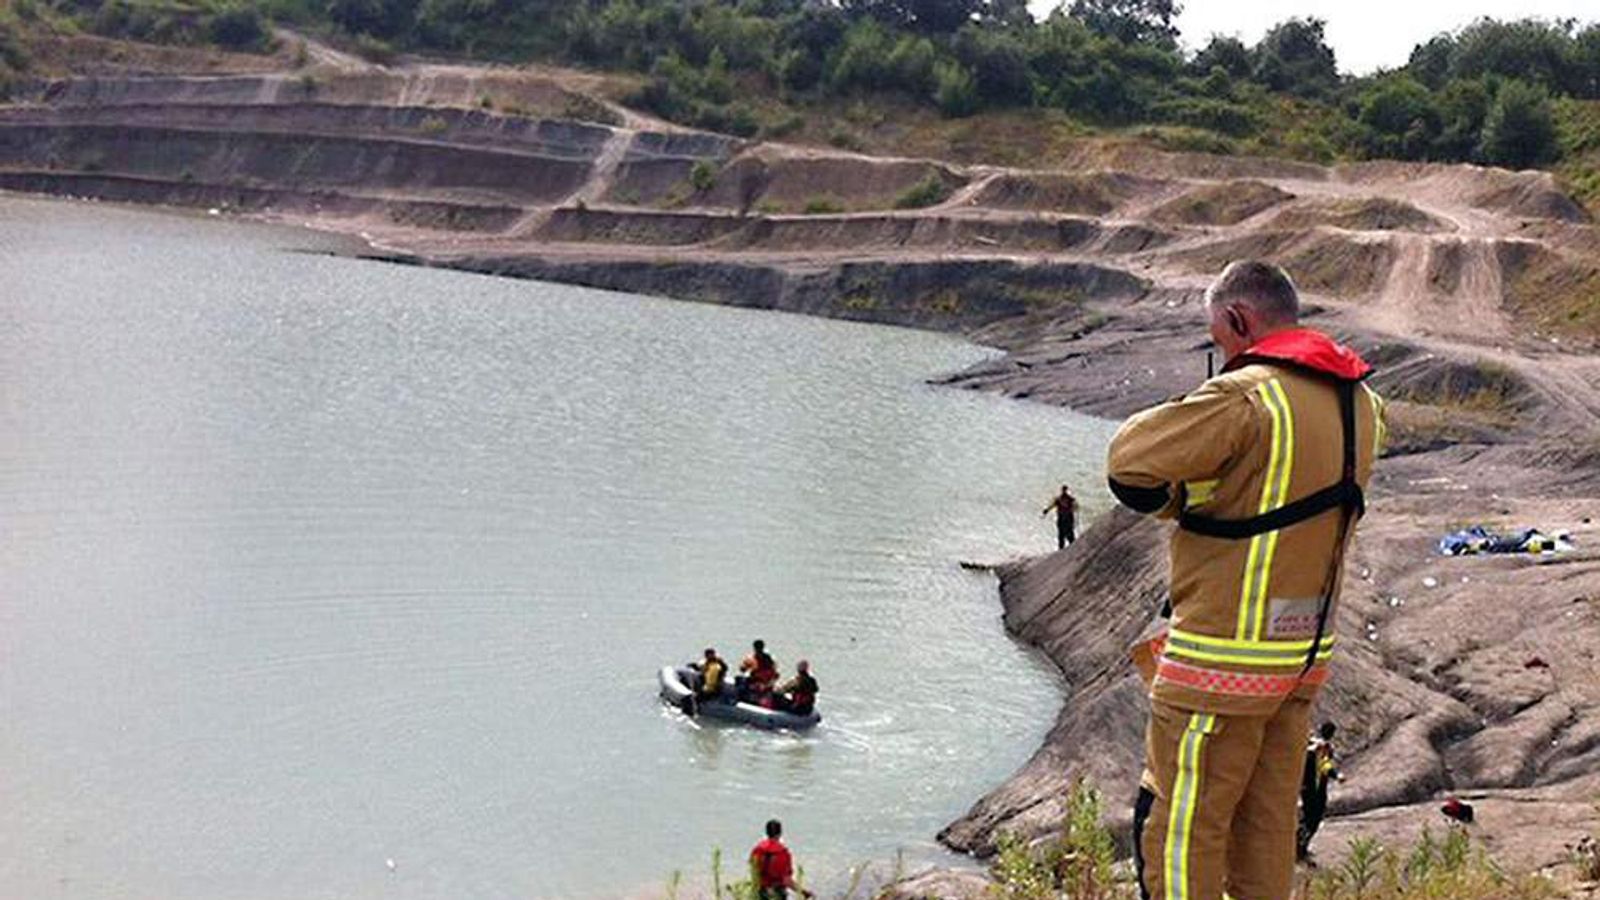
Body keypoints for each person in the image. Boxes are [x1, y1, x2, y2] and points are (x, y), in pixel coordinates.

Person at [1110, 261, 1385, 900]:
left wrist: (1185, 499)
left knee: (1180, 826)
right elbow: (1275, 491)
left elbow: (1128, 462)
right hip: (1300, 656)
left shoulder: (1250, 395)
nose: (1221, 352)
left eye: (1218, 339)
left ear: (1237, 320)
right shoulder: (1363, 403)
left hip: (1222, 660)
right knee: (1263, 826)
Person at [1297, 722, 1341, 860]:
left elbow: (1324, 765)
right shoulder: (1311, 746)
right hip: (1309, 788)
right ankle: (1298, 849)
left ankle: (1302, 848)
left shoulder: (1326, 748)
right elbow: (1305, 759)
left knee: (1315, 818)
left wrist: (1335, 774)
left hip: (1319, 788)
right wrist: (1314, 748)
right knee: (1309, 819)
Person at [749, 819, 813, 900]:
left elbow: (754, 873)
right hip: (777, 894)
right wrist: (804, 892)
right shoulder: (782, 853)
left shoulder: (757, 850)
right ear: (780, 833)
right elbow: (786, 881)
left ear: (767, 832)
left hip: (760, 893)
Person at [1042, 484, 1078, 549]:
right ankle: (1062, 548)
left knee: (1070, 534)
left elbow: (1075, 507)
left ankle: (1072, 547)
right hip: (1062, 518)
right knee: (1061, 535)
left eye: (1065, 490)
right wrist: (1047, 510)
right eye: (1063, 490)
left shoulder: (1070, 499)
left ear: (1066, 490)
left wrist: (1073, 509)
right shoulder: (1059, 499)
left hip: (1068, 518)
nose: (1064, 491)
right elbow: (1052, 505)